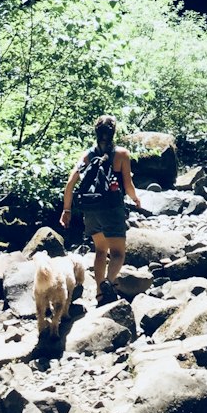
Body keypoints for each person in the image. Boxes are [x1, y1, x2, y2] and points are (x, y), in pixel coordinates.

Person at [59, 114, 141, 302]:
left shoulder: (87, 155)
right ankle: (108, 283)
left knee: (101, 251)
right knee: (118, 253)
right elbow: (128, 187)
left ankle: (98, 292)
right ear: (114, 133)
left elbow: (70, 184)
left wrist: (67, 210)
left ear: (96, 132)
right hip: (111, 208)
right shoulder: (122, 154)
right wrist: (136, 199)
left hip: (91, 209)